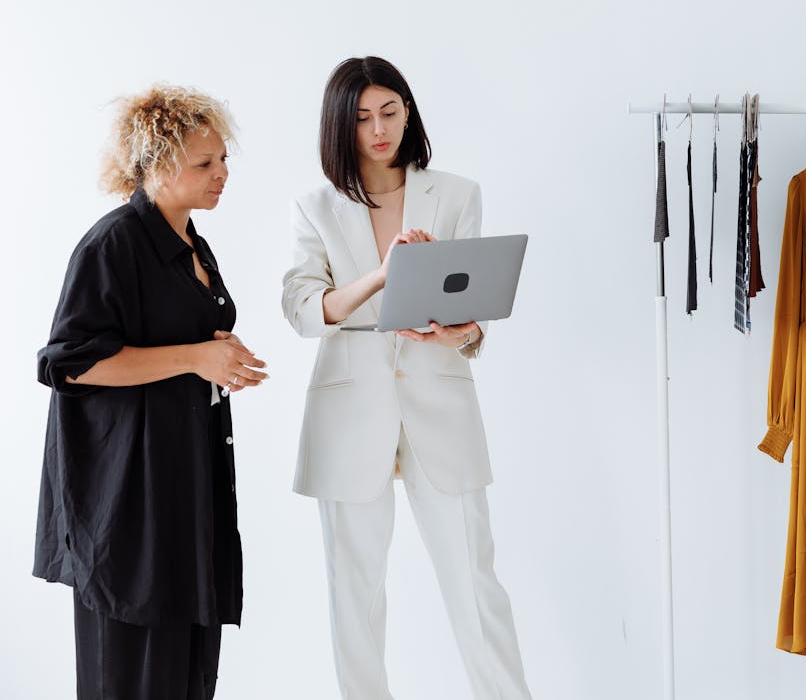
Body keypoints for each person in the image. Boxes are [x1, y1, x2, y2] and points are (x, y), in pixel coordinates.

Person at [282, 56, 532, 699]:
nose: (379, 129)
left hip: (439, 397)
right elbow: (304, 309)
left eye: (390, 111)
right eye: (362, 117)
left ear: (408, 110)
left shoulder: (455, 194)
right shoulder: (316, 207)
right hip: (348, 408)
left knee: (475, 585)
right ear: (341, 126)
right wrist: (384, 273)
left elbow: (474, 303)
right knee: (354, 592)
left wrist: (464, 331)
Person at [34, 85, 268, 699]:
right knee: (132, 675)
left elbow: (169, 339)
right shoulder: (113, 244)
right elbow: (71, 364)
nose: (222, 174)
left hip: (184, 488)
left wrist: (216, 351)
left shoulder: (191, 243)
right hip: (128, 502)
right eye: (204, 164)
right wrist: (196, 355)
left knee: (186, 673)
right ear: (159, 164)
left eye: (223, 160)